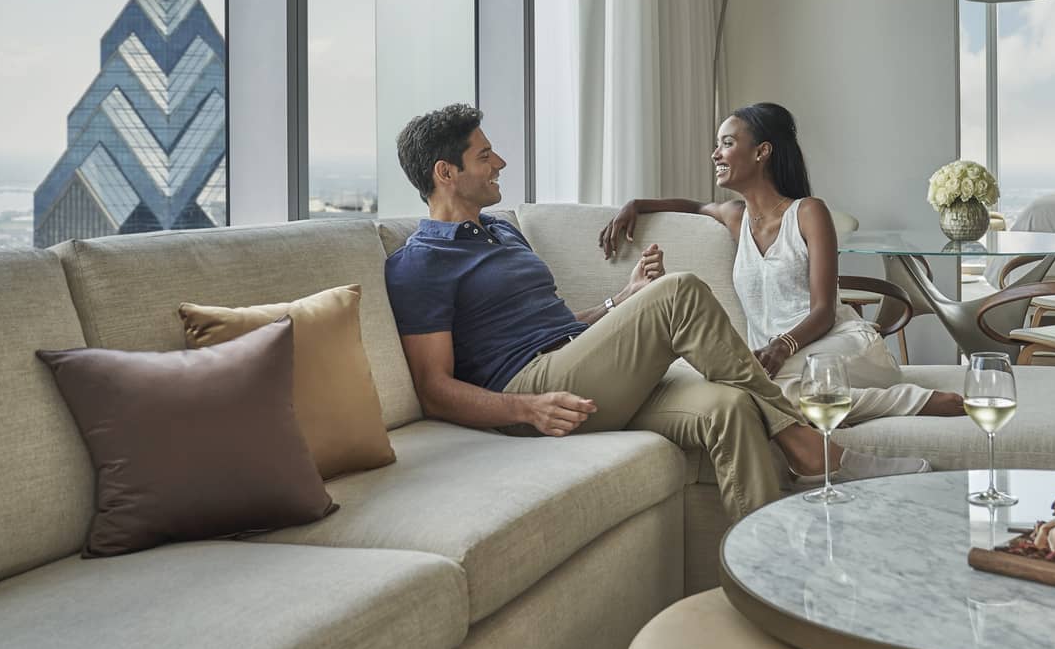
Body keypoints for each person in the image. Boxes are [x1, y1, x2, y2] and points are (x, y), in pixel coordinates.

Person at [384, 103, 928, 523]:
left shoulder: (503, 229)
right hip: (536, 391)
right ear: (445, 173)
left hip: (578, 364)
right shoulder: (422, 262)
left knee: (731, 405)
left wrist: (623, 301)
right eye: (484, 156)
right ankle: (809, 449)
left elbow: (556, 325)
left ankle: (767, 573)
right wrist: (525, 409)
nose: (500, 162)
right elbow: (434, 388)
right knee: (680, 291)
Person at [598, 102, 965, 425]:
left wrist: (781, 346)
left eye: (727, 143)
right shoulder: (735, 218)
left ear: (762, 152)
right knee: (757, 394)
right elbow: (693, 207)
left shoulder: (808, 212)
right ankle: (904, 402)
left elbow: (823, 312)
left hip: (842, 350)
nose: (715, 154)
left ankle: (913, 400)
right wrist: (636, 204)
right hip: (780, 372)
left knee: (756, 390)